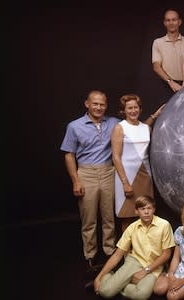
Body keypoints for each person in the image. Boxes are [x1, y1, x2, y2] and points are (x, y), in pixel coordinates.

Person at [60, 90, 120, 271]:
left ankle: (109, 252)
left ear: (106, 105)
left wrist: (153, 118)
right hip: (86, 174)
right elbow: (69, 155)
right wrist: (76, 181)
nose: (99, 107)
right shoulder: (74, 126)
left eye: (102, 104)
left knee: (109, 216)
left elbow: (135, 126)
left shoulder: (114, 123)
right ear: (87, 104)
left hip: (108, 172)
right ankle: (90, 256)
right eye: (95, 104)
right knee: (89, 219)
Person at [93, 195, 175, 299]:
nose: (146, 212)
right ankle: (109, 277)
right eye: (142, 209)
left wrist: (146, 270)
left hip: (154, 267)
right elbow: (118, 255)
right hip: (134, 261)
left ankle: (117, 284)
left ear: (154, 209)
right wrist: (99, 277)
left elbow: (166, 254)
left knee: (142, 295)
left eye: (149, 208)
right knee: (105, 292)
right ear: (136, 211)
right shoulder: (132, 228)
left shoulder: (164, 225)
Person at [111, 94, 164, 233]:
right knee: (128, 216)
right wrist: (125, 183)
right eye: (129, 108)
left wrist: (154, 116)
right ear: (124, 110)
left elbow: (140, 131)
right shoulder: (119, 128)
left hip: (145, 176)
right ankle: (127, 252)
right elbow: (116, 157)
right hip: (126, 176)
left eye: (136, 107)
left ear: (140, 109)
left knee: (146, 214)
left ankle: (144, 250)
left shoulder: (146, 128)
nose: (133, 110)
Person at [152, 9, 184, 96]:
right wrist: (170, 82)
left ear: (179, 22)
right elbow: (156, 66)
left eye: (174, 20)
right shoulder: (158, 42)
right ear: (164, 23)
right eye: (168, 20)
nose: (171, 23)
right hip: (166, 85)